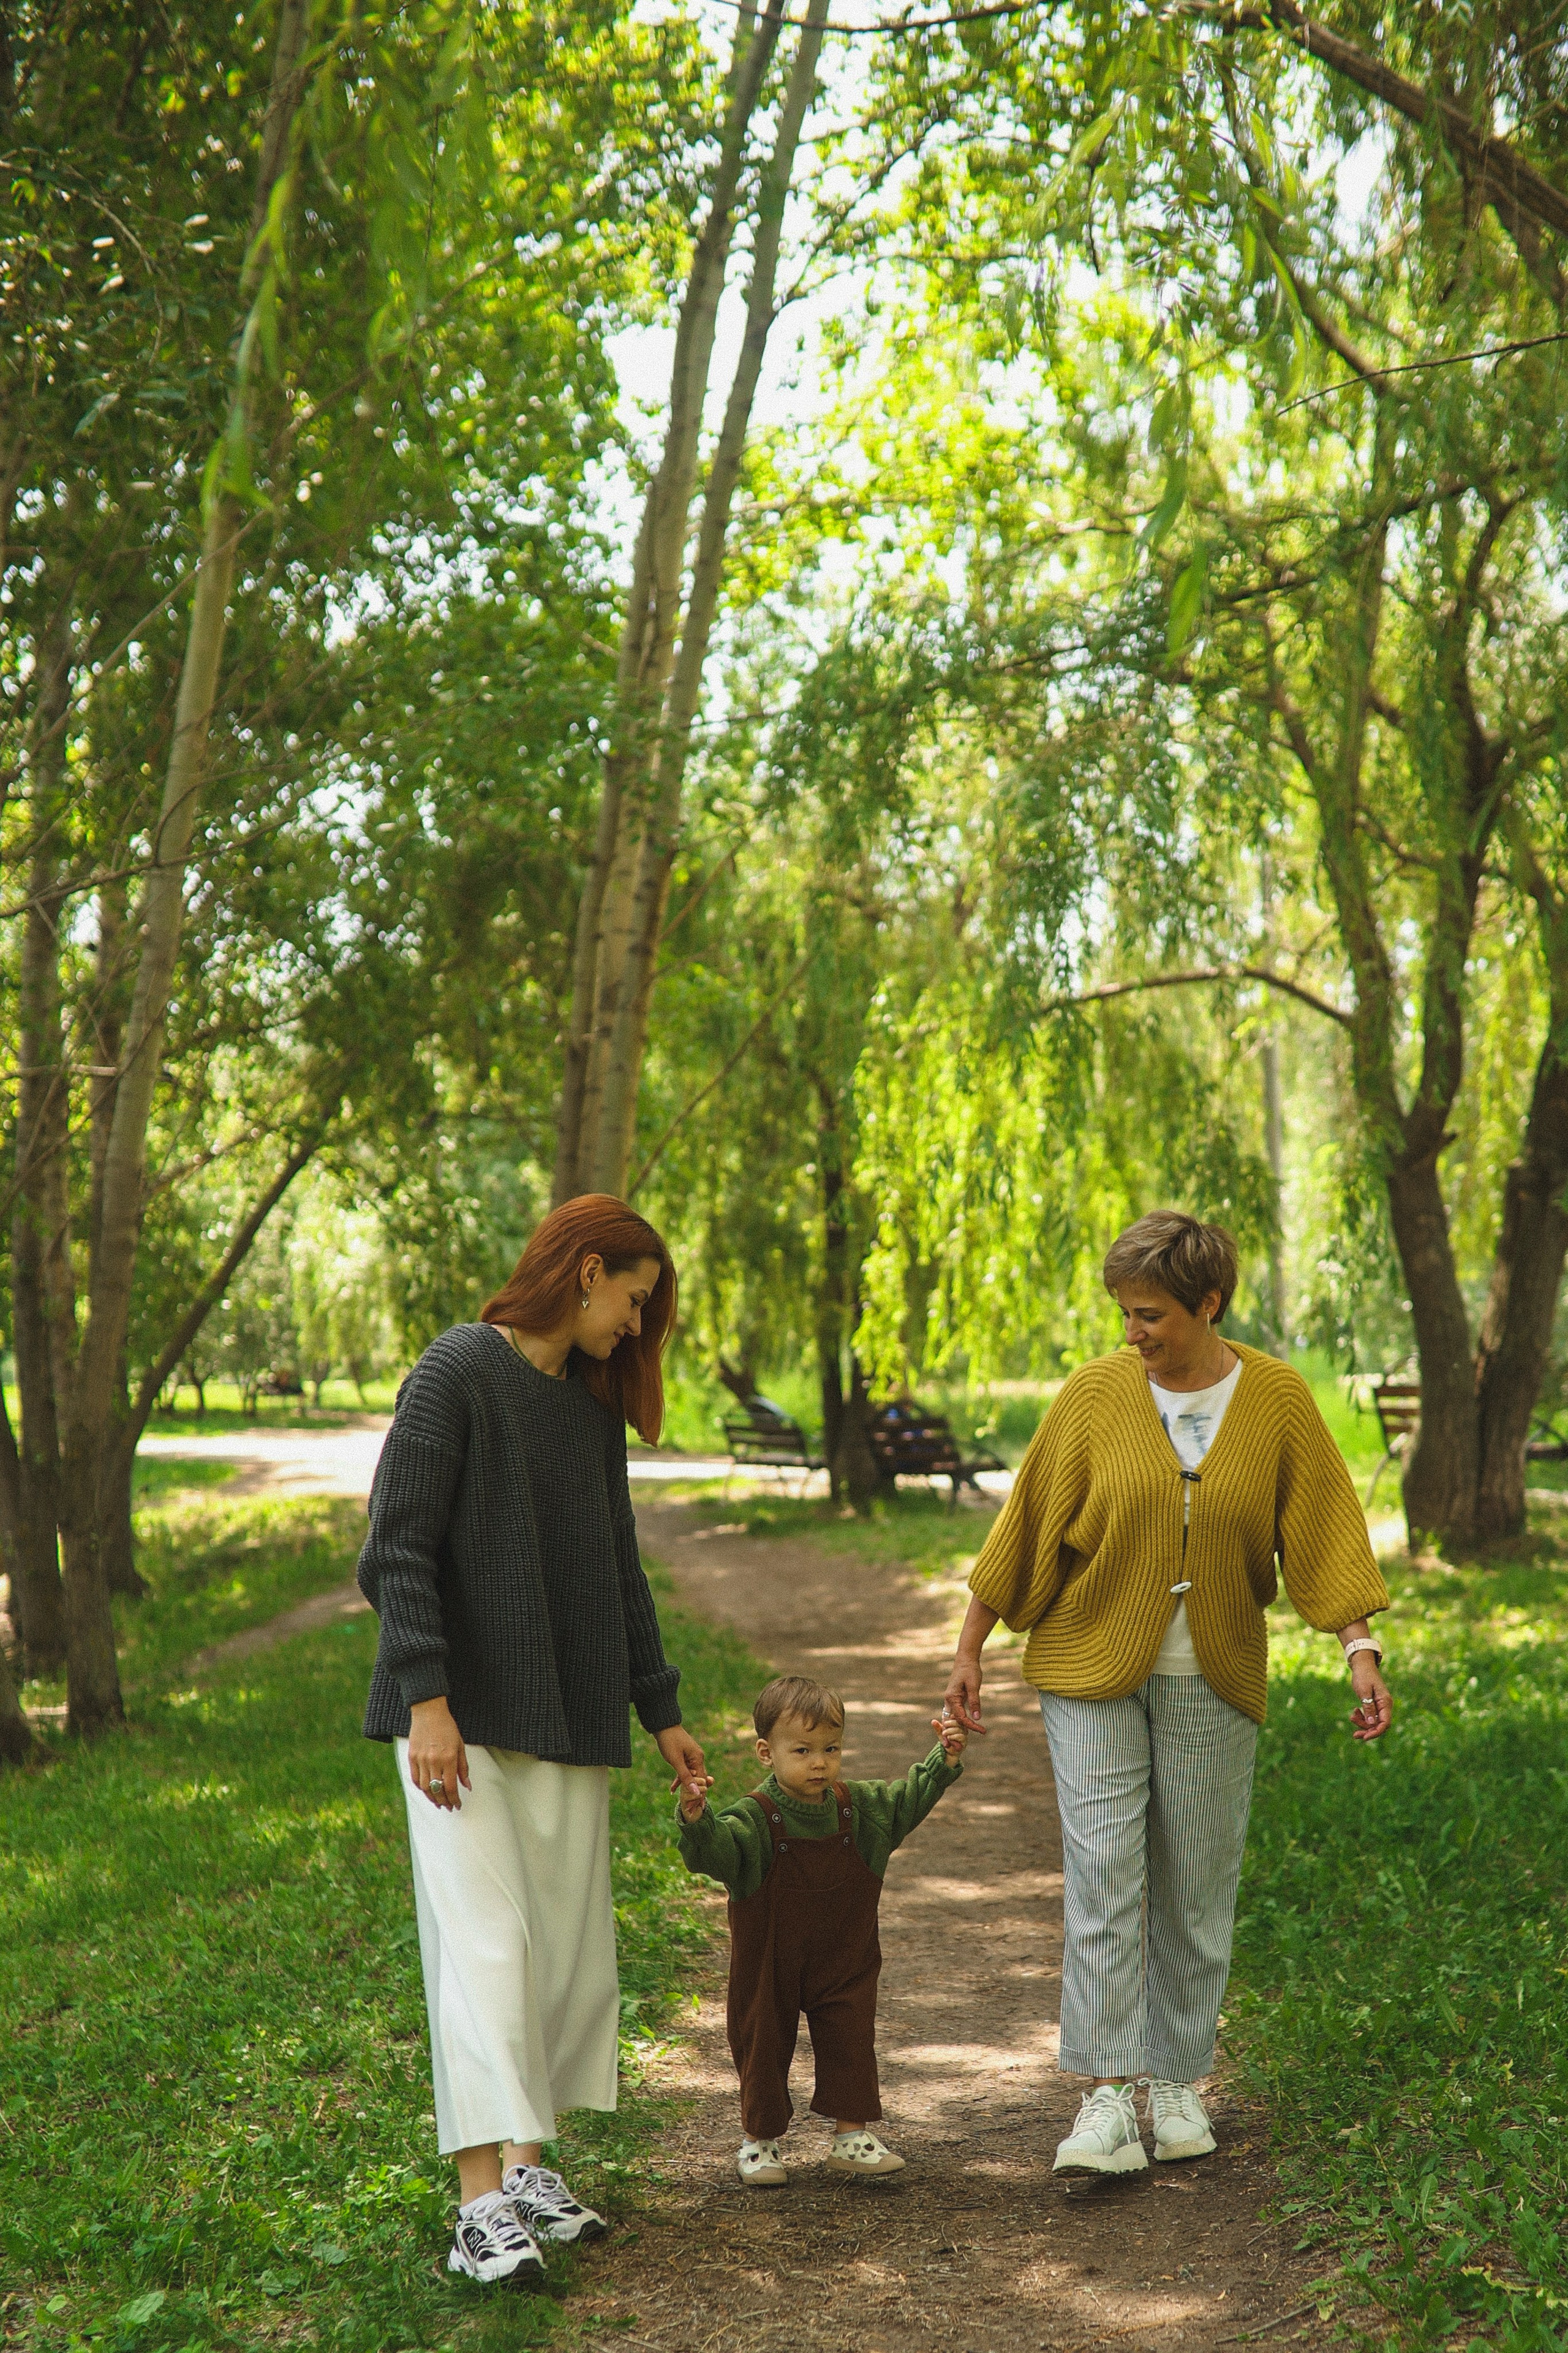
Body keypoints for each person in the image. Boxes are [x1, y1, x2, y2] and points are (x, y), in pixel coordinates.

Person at [943, 1210, 1392, 2178]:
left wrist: (1360, 1646)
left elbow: (1323, 1528)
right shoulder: (1096, 1394)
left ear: (1208, 1302)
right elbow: (1029, 1522)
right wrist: (971, 1646)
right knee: (1105, 1875)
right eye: (1125, 1312)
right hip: (1089, 1667)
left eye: (1150, 1314)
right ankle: (1106, 2096)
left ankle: (1179, 2081)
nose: (1132, 1331)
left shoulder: (1275, 1398)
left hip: (1213, 1676)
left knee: (1195, 1886)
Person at [357, 1195, 710, 2287]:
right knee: (485, 1954)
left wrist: (662, 1710)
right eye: (635, 1301)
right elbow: (395, 1545)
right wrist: (426, 1699)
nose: (636, 1326)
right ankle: (477, 2211)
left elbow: (619, 1566)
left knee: (559, 1955)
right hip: (457, 1725)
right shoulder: (458, 1369)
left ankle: (527, 2172)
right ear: (587, 1270)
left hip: (569, 1710)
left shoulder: (590, 1410)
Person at [676, 1672, 967, 2185]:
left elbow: (905, 1800)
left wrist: (941, 1761)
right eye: (803, 1750)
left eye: (831, 1749)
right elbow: (716, 1855)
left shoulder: (860, 1809)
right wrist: (699, 1821)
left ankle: (851, 2135)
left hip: (844, 1956)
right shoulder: (755, 1818)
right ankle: (759, 2141)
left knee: (851, 2038)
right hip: (770, 1962)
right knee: (763, 2042)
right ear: (766, 1752)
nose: (819, 1762)